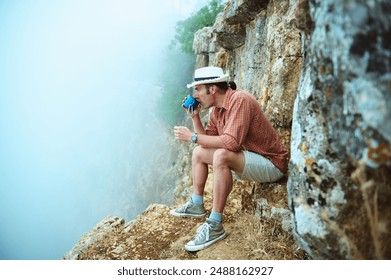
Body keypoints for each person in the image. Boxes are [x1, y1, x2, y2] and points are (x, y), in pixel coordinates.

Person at [171, 66, 288, 252]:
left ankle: (215, 224)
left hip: (271, 164)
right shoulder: (216, 111)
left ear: (212, 89)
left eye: (198, 89)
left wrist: (192, 136)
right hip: (250, 159)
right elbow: (205, 144)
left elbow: (231, 143)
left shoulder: (240, 100)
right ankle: (196, 204)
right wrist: (195, 118)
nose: (196, 94)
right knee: (199, 153)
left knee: (222, 155)